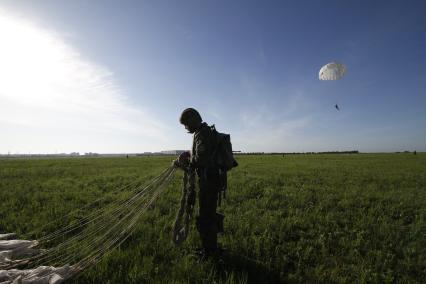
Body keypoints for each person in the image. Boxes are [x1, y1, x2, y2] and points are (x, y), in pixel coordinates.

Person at [173, 108, 223, 260]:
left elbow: (202, 158)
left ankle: (210, 253)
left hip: (209, 182)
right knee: (207, 215)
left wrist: (187, 161)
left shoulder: (202, 133)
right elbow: (200, 153)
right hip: (210, 180)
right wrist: (188, 153)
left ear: (193, 120)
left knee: (206, 217)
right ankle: (209, 248)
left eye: (186, 124)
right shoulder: (203, 132)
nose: (186, 128)